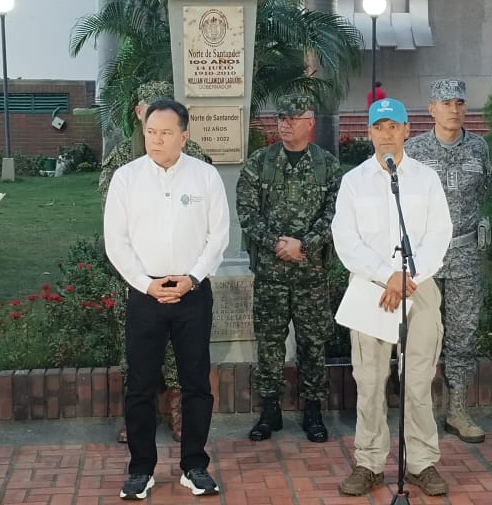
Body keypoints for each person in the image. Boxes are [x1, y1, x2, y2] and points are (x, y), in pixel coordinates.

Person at [104, 99, 228, 499]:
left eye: (166, 133)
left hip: (193, 292)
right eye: (151, 132)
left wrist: (193, 278)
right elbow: (116, 241)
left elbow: (218, 236)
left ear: (184, 136)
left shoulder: (205, 177)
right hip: (145, 294)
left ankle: (195, 465)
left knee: (196, 382)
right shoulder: (126, 178)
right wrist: (145, 283)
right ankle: (141, 469)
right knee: (140, 384)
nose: (156, 140)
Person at [332, 98, 453, 498]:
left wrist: (408, 277)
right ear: (369, 132)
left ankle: (421, 463)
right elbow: (346, 240)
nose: (386, 134)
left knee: (417, 382)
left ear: (406, 130)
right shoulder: (354, 182)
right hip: (372, 289)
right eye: (379, 127)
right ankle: (369, 463)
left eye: (393, 126)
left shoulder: (425, 179)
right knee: (369, 382)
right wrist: (387, 276)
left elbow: (439, 234)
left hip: (419, 287)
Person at [237, 95, 341, 443]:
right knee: (269, 342)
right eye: (281, 118)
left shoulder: (327, 165)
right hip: (271, 275)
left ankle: (313, 410)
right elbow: (247, 213)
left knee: (313, 342)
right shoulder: (259, 163)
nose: (285, 124)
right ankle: (270, 410)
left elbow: (335, 215)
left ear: (309, 122)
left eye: (293, 118)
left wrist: (304, 245)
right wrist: (276, 244)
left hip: (311, 275)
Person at [403, 80, 490, 444]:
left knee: (463, 334)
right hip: (426, 259)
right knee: (420, 335)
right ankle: (418, 410)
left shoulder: (479, 147)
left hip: (465, 255)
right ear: (432, 109)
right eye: (446, 103)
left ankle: (457, 409)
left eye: (459, 103)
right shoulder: (414, 149)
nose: (454, 109)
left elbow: (484, 190)